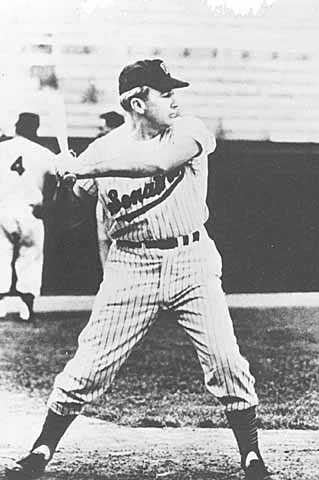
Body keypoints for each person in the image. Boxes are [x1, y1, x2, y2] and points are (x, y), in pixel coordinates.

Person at [6, 60, 272, 480]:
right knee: (88, 365)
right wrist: (66, 180)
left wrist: (88, 169)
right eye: (164, 92)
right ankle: (41, 450)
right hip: (131, 264)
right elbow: (75, 213)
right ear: (136, 102)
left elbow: (160, 164)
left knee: (225, 361)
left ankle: (251, 454)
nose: (173, 98)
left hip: (192, 260)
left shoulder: (188, 130)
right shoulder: (103, 148)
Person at [0, 112, 57, 321]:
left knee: (1, 255)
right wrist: (48, 203)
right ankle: (26, 306)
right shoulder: (44, 153)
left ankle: (2, 304)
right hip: (31, 211)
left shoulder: (2, 148)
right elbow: (55, 179)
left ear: (16, 126)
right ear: (35, 129)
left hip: (4, 208)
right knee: (30, 257)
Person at [96, 111, 125, 268]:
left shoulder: (128, 148)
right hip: (103, 207)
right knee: (104, 250)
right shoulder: (99, 150)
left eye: (104, 128)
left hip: (122, 205)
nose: (100, 132)